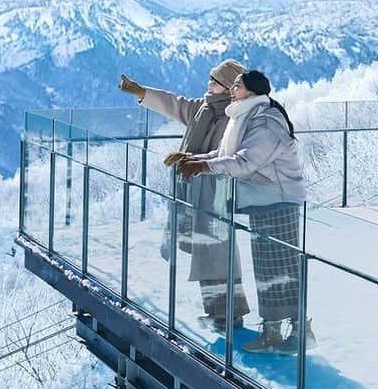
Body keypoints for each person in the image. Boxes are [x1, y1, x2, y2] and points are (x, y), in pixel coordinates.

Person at [175, 70, 312, 355]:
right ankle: (273, 332)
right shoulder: (244, 117)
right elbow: (225, 152)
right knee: (267, 267)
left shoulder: (266, 122)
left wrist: (201, 167)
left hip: (279, 199)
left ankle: (300, 332)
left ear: (251, 91)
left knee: (282, 267)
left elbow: (245, 162)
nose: (232, 88)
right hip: (262, 200)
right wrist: (193, 159)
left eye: (237, 85)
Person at [119, 61, 250, 333]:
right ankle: (217, 313)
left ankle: (229, 316)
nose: (208, 84)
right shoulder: (203, 109)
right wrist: (141, 92)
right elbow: (173, 103)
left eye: (214, 81)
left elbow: (227, 157)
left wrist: (191, 160)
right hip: (195, 190)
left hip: (215, 193)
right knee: (205, 253)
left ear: (227, 87)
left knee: (217, 254)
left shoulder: (233, 117)